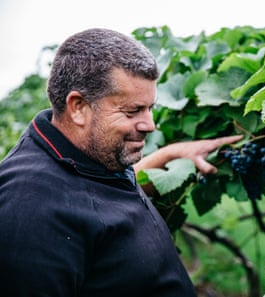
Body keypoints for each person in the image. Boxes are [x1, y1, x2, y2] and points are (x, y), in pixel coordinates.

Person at [0, 28, 242, 297]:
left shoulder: (88, 156)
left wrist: (171, 154)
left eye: (149, 108)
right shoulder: (30, 210)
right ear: (78, 107)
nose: (150, 125)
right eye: (133, 111)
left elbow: (95, 197)